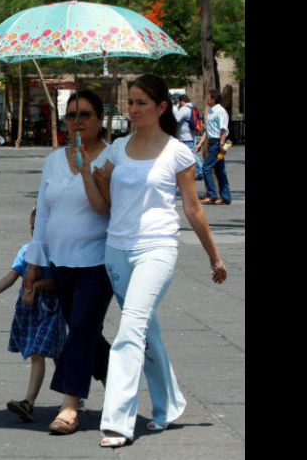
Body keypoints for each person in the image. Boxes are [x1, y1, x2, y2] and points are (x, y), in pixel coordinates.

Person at [88, 75, 227, 448]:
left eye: (141, 103)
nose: (132, 110)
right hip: (117, 250)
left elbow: (194, 210)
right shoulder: (117, 148)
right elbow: (104, 191)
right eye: (129, 102)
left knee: (129, 328)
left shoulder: (178, 153)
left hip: (157, 249)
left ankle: (117, 420)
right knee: (147, 330)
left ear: (161, 107)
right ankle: (168, 405)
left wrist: (214, 257)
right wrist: (98, 177)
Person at [22, 90, 114, 436]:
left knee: (80, 330)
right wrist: (34, 264)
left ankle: (70, 404)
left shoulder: (111, 157)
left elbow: (104, 208)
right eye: (71, 115)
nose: (77, 121)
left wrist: (86, 170)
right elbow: (43, 214)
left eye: (85, 115)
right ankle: (122, 379)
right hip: (61, 262)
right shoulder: (53, 160)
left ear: (100, 119)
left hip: (98, 260)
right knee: (86, 332)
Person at [0, 208, 66, 423]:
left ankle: (60, 395)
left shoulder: (58, 252)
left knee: (49, 353)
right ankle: (32, 402)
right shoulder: (26, 251)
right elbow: (12, 276)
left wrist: (38, 286)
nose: (35, 232)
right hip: (30, 311)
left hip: (51, 309)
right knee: (40, 353)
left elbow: (59, 282)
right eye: (32, 228)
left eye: (40, 228)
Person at [196, 89, 231, 205]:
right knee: (220, 170)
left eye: (208, 98)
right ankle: (225, 197)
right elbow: (207, 129)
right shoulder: (210, 111)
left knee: (206, 168)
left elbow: (223, 129)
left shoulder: (220, 111)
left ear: (214, 99)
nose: (206, 99)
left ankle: (212, 195)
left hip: (217, 142)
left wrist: (221, 144)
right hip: (211, 141)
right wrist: (200, 143)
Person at [174, 95, 203, 181]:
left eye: (179, 102)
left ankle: (200, 170)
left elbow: (176, 119)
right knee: (189, 154)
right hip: (191, 135)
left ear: (182, 101)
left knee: (191, 155)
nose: (179, 104)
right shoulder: (193, 108)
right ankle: (190, 171)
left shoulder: (184, 109)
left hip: (185, 137)